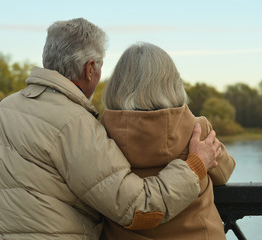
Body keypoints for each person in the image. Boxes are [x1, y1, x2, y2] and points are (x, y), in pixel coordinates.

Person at [0, 18, 222, 240]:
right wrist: (194, 167)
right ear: (89, 69)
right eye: (99, 67)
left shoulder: (5, 108)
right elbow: (136, 209)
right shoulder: (76, 123)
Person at [100, 42, 236, 240]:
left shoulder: (100, 134)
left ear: (117, 85)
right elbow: (224, 172)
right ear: (171, 83)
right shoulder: (197, 130)